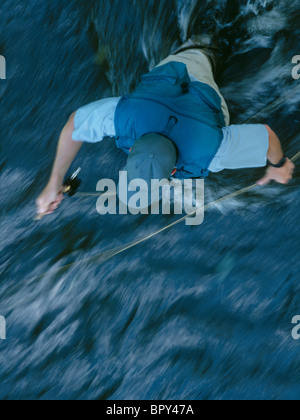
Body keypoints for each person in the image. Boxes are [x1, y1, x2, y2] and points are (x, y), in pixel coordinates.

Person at [36, 40, 295, 217]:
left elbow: (268, 137)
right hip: (182, 67)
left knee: (206, 62)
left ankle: (208, 48)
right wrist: (54, 182)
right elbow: (74, 124)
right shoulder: (124, 116)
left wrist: (279, 165)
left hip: (201, 87)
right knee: (201, 49)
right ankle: (205, 45)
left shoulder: (213, 153)